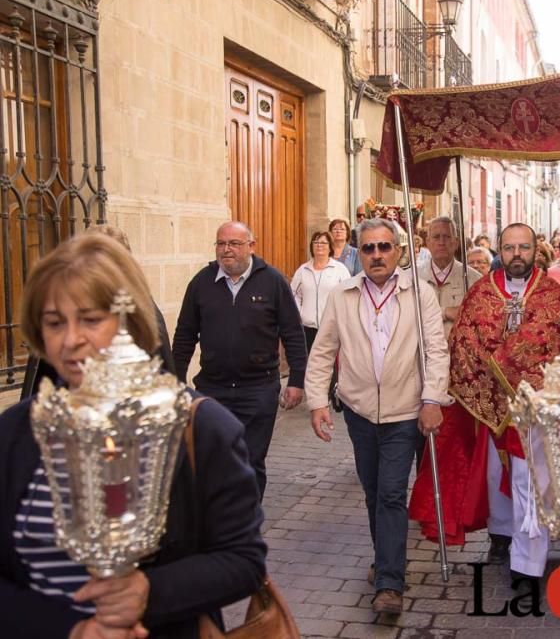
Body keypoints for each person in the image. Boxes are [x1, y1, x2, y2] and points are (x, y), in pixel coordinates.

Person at [0, 233, 266, 639]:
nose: (71, 340)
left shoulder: (201, 428)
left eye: (90, 319)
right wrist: (69, 629)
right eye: (55, 322)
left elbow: (243, 560)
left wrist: (149, 592)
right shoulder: (14, 434)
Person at [409, 222, 560, 586]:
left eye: (523, 248)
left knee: (529, 482)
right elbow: (464, 340)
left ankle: (528, 563)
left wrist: (512, 368)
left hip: (534, 408)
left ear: (535, 250)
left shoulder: (551, 294)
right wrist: (490, 374)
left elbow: (554, 341)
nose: (516, 255)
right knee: (494, 475)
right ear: (500, 249)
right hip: (488, 404)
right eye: (509, 248)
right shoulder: (481, 291)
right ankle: (502, 537)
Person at [305, 218, 448, 615]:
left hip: (405, 411)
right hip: (359, 411)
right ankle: (385, 557)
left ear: (399, 251)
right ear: (359, 254)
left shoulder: (420, 295)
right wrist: (317, 402)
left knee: (390, 493)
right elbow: (322, 352)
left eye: (385, 247)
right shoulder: (342, 295)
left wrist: (433, 398)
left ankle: (389, 582)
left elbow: (436, 350)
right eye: (368, 248)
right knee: (372, 492)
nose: (377, 255)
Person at [172, 221, 307, 499]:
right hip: (213, 390)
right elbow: (185, 336)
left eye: (234, 243)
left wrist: (296, 381)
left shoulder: (272, 281)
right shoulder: (201, 282)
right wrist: (174, 381)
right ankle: (218, 521)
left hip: (258, 390)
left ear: (251, 246)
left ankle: (247, 524)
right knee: (213, 461)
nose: (226, 250)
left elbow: (293, 333)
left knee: (250, 461)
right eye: (221, 244)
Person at [20, 225, 177, 397]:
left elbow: (164, 380)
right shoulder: (58, 305)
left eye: (92, 320)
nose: (71, 340)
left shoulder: (143, 314)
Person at [291, 231, 352, 351]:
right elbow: (293, 294)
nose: (319, 245)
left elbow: (348, 295)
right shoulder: (303, 270)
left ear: (330, 247)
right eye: (316, 242)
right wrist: (299, 313)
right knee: (308, 365)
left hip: (331, 328)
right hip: (307, 328)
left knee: (330, 367)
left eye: (323, 242)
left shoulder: (340, 270)